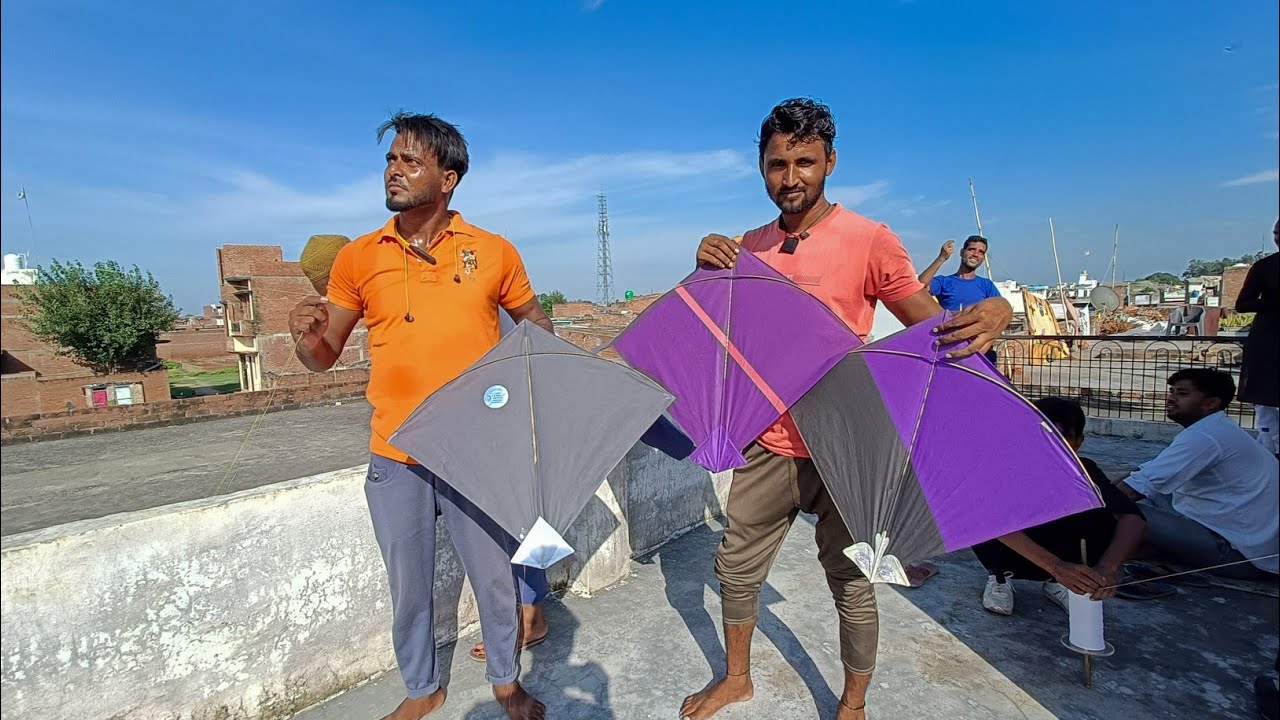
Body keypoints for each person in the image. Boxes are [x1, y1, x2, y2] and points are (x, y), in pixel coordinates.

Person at [681, 98, 1012, 720]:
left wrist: (998, 314)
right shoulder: (748, 246)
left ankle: (853, 703)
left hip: (845, 443)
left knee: (853, 581)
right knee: (734, 569)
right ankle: (737, 678)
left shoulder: (869, 239)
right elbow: (706, 326)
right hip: (767, 439)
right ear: (761, 167)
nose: (791, 177)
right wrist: (701, 263)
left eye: (805, 161)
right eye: (777, 163)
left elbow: (931, 327)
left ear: (830, 161)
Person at [288, 112, 550, 720]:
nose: (394, 171)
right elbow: (322, 356)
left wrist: (546, 383)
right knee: (409, 585)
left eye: (411, 161)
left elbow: (537, 326)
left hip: (475, 448)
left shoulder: (492, 252)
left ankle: (506, 681)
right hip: (395, 450)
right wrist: (304, 339)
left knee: (493, 578)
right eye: (391, 160)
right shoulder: (360, 257)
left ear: (449, 177)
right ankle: (422, 688)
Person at [973, 397, 1148, 616]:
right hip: (1012, 555)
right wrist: (1056, 566)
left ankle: (1059, 582)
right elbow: (990, 521)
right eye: (1042, 436)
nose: (1051, 446)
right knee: (978, 514)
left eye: (1062, 437)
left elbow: (1133, 519)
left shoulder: (1085, 473)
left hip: (1062, 553)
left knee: (1100, 514)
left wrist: (1107, 568)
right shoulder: (1007, 469)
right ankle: (999, 578)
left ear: (1078, 442)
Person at [1115, 369, 1279, 580]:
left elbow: (1129, 492)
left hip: (1240, 555)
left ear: (1211, 403)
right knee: (1144, 494)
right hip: (1233, 534)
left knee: (1125, 510)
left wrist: (1084, 507)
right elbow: (1143, 473)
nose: (1171, 399)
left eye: (1182, 394)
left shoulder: (1205, 437)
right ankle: (1152, 546)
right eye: (1172, 392)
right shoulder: (1215, 428)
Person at [918, 236, 1003, 364]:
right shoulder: (945, 282)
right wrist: (941, 258)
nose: (976, 254)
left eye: (981, 252)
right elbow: (920, 286)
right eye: (972, 249)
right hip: (948, 350)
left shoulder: (987, 285)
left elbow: (1000, 313)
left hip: (979, 353)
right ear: (962, 252)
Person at [1235, 219, 1279, 455]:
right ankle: (1270, 450)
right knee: (1265, 401)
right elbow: (1242, 304)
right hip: (1268, 340)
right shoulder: (1265, 267)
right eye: (1275, 233)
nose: (1278, 238)